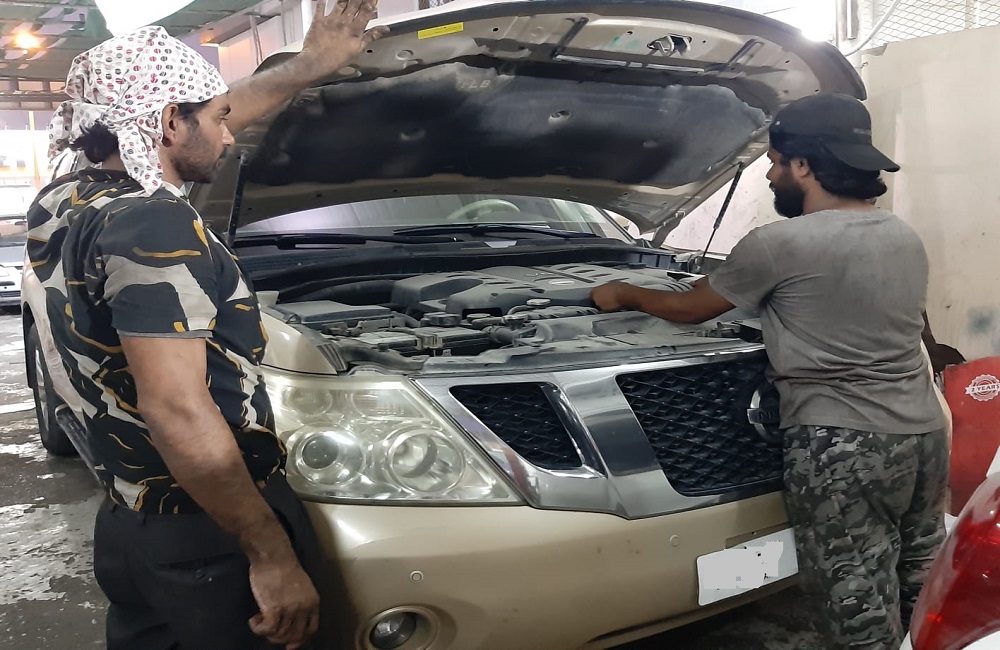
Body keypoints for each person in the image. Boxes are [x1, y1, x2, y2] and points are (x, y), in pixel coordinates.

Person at [26, 2, 386, 648]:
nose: (230, 136)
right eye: (219, 119)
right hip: (210, 535)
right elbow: (177, 409)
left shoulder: (65, 201)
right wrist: (270, 552)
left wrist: (310, 66)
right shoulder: (154, 224)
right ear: (167, 122)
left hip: (133, 520)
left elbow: (187, 124)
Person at [591, 93, 948, 649]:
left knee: (853, 592)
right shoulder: (902, 234)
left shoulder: (780, 243)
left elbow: (690, 308)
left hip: (843, 443)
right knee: (922, 572)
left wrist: (622, 293)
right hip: (924, 432)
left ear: (803, 165)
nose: (770, 173)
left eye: (777, 162)